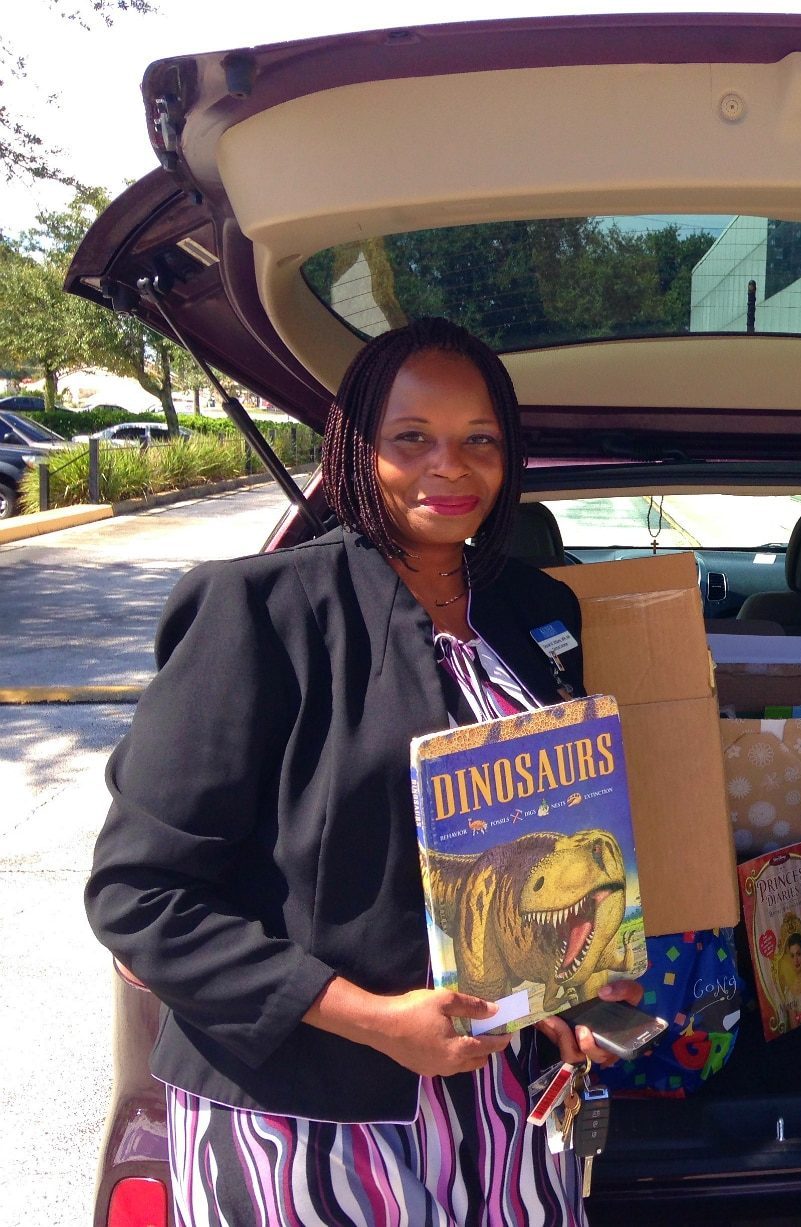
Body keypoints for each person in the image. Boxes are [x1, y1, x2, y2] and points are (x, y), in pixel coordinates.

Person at [85, 317, 641, 1226]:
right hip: (307, 1117)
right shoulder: (259, 613)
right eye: (412, 438)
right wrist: (374, 1019)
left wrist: (571, 985)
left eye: (479, 440)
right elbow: (139, 897)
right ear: (357, 449)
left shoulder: (537, 608)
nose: (449, 467)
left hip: (500, 1111)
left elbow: (536, 834)